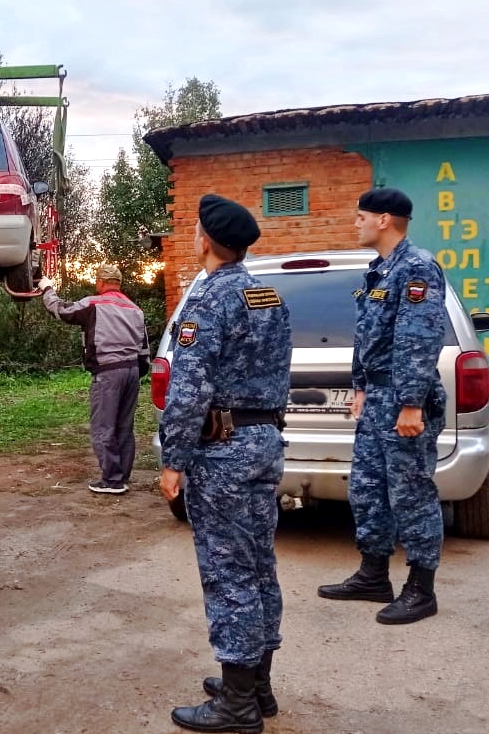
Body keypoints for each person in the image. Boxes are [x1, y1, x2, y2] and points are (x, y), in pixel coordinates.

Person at [159, 194, 292, 734]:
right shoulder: (265, 294)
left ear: (207, 240)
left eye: (194, 230)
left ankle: (236, 708)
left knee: (229, 572)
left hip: (224, 451)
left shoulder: (209, 298)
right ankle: (255, 685)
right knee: (259, 563)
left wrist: (174, 459)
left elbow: (189, 389)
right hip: (263, 441)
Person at [318, 188, 448, 625]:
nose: (355, 223)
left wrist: (410, 403)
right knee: (368, 489)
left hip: (402, 399)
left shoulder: (416, 267)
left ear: (385, 219)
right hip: (377, 397)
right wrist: (360, 386)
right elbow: (369, 336)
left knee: (411, 492)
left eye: (360, 217)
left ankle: (421, 589)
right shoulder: (379, 270)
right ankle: (374, 576)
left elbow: (419, 340)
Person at [39, 264, 149, 495]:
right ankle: (122, 476)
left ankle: (112, 480)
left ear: (100, 283)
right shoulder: (135, 309)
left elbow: (61, 310)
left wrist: (47, 289)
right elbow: (144, 349)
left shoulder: (94, 304)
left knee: (103, 427)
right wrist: (136, 373)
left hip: (108, 373)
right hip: (131, 372)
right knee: (124, 428)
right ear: (119, 283)